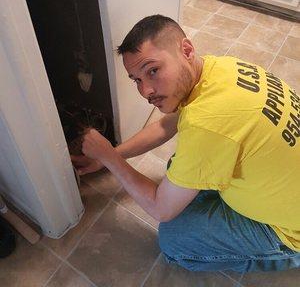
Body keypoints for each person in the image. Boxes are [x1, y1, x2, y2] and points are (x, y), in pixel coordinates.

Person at [72, 14, 300, 273]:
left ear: (187, 50)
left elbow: (160, 209)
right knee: (180, 165)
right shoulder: (219, 68)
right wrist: (110, 154)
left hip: (292, 228)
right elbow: (165, 125)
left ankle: (288, 254)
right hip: (283, 181)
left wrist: (109, 158)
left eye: (153, 70)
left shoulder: (208, 123)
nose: (145, 90)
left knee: (174, 241)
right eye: (137, 79)